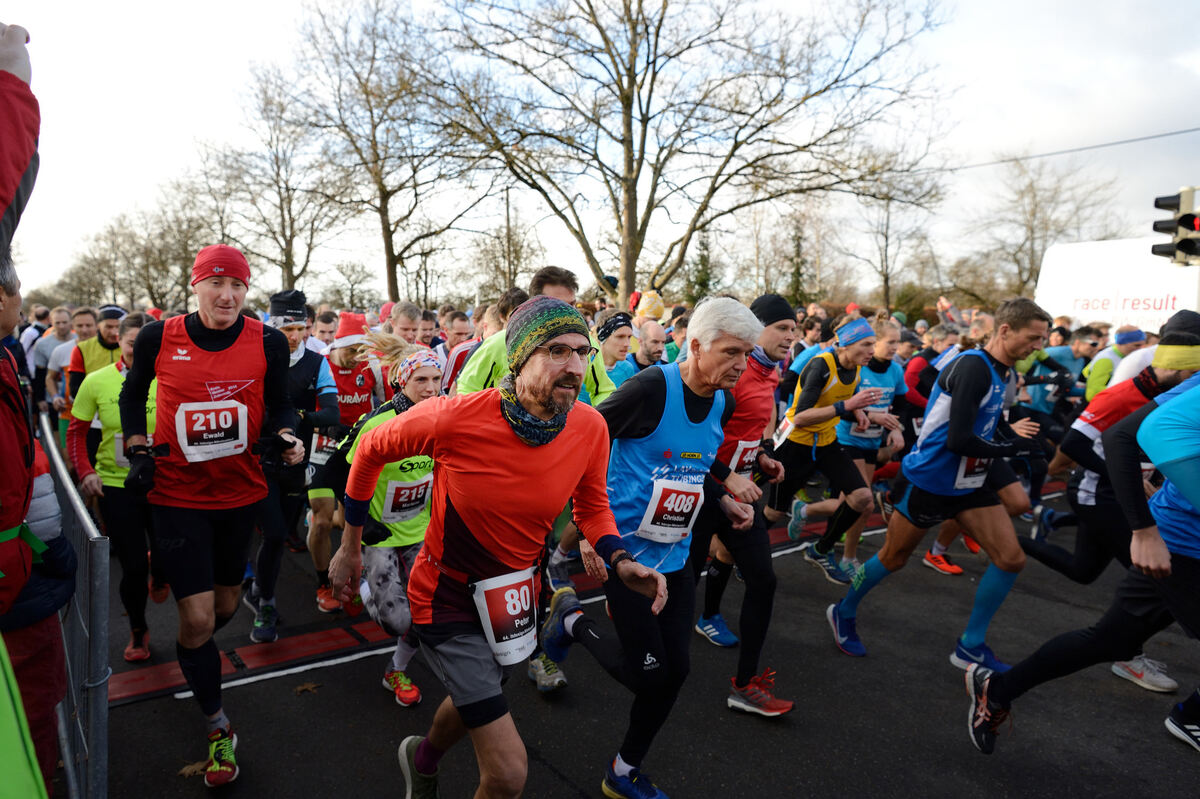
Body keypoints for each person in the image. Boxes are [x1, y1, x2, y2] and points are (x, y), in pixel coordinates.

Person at [327, 296, 662, 799]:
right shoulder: (453, 418)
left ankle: (422, 759)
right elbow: (369, 450)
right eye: (555, 351)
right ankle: (425, 759)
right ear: (519, 358)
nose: (573, 366)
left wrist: (619, 558)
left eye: (581, 352)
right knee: (508, 774)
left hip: (513, 598)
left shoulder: (590, 426)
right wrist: (350, 545)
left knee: (476, 695)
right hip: (445, 597)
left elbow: (591, 505)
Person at [540, 296, 762, 797]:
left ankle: (622, 772)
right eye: (731, 352)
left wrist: (725, 504)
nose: (740, 365)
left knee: (676, 671)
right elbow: (580, 442)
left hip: (678, 554)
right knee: (648, 674)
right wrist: (590, 529)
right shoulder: (649, 389)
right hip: (626, 555)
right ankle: (572, 622)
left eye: (747, 355)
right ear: (697, 344)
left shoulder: (723, 401)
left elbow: (695, 464)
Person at [118, 244, 304, 787]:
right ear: (196, 286)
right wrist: (135, 446)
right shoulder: (160, 336)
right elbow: (134, 396)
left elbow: (282, 403)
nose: (227, 295)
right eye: (216, 283)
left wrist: (288, 434)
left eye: (238, 286)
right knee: (197, 622)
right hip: (176, 494)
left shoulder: (267, 339)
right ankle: (218, 726)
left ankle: (181, 605)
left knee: (224, 609)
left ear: (247, 292)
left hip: (239, 493)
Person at [965, 371, 1200, 756]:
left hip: (1172, 533)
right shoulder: (1142, 389)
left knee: (1110, 635)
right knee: (1082, 573)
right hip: (1176, 541)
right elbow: (1114, 437)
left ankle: (998, 688)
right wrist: (1143, 530)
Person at [828, 297, 1050, 671]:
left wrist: (1018, 444)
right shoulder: (974, 368)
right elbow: (958, 440)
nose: (1039, 346)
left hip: (971, 481)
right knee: (893, 559)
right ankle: (844, 610)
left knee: (1011, 559)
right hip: (930, 479)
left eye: (1043, 339)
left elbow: (987, 423)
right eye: (1034, 337)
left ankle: (971, 644)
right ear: (1005, 330)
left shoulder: (1005, 372)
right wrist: (1016, 446)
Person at [688, 294, 795, 716]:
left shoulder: (771, 372)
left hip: (737, 490)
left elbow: (749, 431)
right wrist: (726, 474)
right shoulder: (731, 370)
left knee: (763, 580)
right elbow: (695, 439)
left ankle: (746, 682)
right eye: (782, 328)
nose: (791, 336)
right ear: (756, 327)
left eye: (794, 328)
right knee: (680, 582)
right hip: (699, 488)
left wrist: (762, 457)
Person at [341, 342, 440, 707]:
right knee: (397, 620)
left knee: (426, 617)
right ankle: (365, 584)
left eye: (436, 378)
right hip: (379, 533)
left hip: (421, 531)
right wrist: (359, 524)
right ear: (401, 382)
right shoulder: (380, 423)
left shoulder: (445, 416)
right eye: (421, 379)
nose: (430, 388)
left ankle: (394, 670)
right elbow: (345, 474)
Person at [68, 312, 167, 661]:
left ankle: (163, 571)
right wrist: (84, 471)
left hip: (165, 481)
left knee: (169, 555)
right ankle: (138, 630)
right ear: (119, 341)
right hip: (117, 482)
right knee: (134, 566)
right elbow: (76, 431)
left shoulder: (169, 377)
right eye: (131, 345)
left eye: (145, 347)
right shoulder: (96, 382)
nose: (138, 354)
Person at [243, 290, 339, 642]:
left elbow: (332, 413)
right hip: (259, 460)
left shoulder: (316, 362)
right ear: (271, 328)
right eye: (287, 329)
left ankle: (256, 586)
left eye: (301, 327)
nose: (295, 336)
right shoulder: (255, 359)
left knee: (280, 534)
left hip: (297, 459)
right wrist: (282, 432)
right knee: (274, 535)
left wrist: (297, 422)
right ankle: (265, 602)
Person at [765, 316, 889, 583]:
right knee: (773, 512)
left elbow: (839, 402)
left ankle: (820, 549)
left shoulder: (855, 367)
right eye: (866, 344)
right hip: (795, 443)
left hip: (826, 442)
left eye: (874, 344)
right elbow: (800, 416)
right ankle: (744, 555)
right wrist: (849, 407)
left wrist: (861, 413)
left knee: (862, 497)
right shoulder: (820, 366)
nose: (872, 351)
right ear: (845, 344)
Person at [306, 311, 383, 610]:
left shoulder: (371, 368)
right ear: (337, 345)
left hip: (357, 447)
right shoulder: (319, 366)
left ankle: (351, 578)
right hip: (322, 444)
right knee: (324, 520)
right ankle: (324, 583)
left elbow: (387, 404)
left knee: (352, 520)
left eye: (362, 350)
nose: (357, 357)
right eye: (353, 350)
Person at [1081, 325, 1144, 400]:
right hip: (1095, 406)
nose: (1141, 349)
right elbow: (1092, 393)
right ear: (1122, 343)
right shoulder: (1106, 359)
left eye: (1142, 345)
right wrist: (1126, 392)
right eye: (1136, 345)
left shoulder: (1125, 355)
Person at [595, 309, 636, 387]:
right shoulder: (585, 370)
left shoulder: (627, 369)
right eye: (620, 337)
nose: (627, 344)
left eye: (629, 337)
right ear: (603, 337)